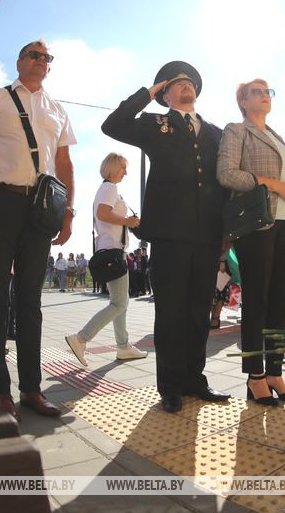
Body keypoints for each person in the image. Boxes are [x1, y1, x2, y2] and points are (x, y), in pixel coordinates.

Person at [102, 61, 229, 413]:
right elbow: (111, 125)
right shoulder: (155, 124)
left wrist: (226, 232)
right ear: (166, 93)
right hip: (170, 234)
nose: (185, 86)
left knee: (197, 312)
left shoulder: (217, 132)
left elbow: (224, 182)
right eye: (177, 83)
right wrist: (148, 93)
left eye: (190, 82)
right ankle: (170, 386)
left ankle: (194, 379)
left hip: (207, 235)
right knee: (171, 312)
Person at [0, 39, 76, 420]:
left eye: (47, 57)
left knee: (30, 302)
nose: (41, 60)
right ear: (19, 61)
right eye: (34, 54)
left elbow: (64, 163)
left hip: (40, 209)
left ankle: (31, 389)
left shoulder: (57, 109)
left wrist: (68, 211)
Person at [217, 78, 285, 406]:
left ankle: (275, 372)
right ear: (243, 101)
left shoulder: (277, 136)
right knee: (257, 300)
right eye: (257, 91)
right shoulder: (237, 131)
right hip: (259, 224)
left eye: (268, 91)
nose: (265, 96)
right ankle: (255, 377)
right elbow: (227, 173)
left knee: (279, 301)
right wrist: (271, 184)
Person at [66, 153, 148, 366]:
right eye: (123, 167)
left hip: (110, 250)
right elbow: (103, 214)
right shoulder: (109, 188)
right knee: (119, 303)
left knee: (120, 302)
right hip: (112, 251)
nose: (126, 172)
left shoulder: (106, 188)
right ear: (112, 168)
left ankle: (123, 346)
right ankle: (81, 338)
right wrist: (128, 221)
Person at [210, 259, 231, 329]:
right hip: (211, 260)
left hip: (220, 260)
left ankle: (215, 318)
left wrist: (222, 261)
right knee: (213, 291)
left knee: (220, 289)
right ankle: (213, 318)